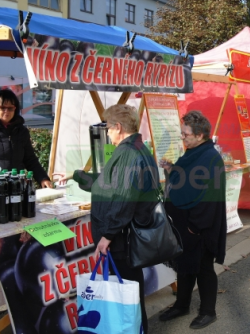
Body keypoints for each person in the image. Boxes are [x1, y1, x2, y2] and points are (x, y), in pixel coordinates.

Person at [64, 104, 158, 333]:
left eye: (107, 127)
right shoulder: (138, 147)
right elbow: (108, 185)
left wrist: (107, 236)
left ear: (118, 127)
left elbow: (123, 199)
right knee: (131, 294)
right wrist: (78, 176)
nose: (106, 133)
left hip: (122, 240)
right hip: (129, 237)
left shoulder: (128, 152)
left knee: (127, 295)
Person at [157, 111, 226, 330]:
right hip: (185, 225)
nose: (182, 137)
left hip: (199, 226)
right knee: (184, 266)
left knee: (203, 268)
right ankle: (182, 305)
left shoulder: (210, 157)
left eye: (185, 133)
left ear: (199, 135)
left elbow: (209, 197)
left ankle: (208, 312)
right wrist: (171, 170)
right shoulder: (193, 153)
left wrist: (195, 226)